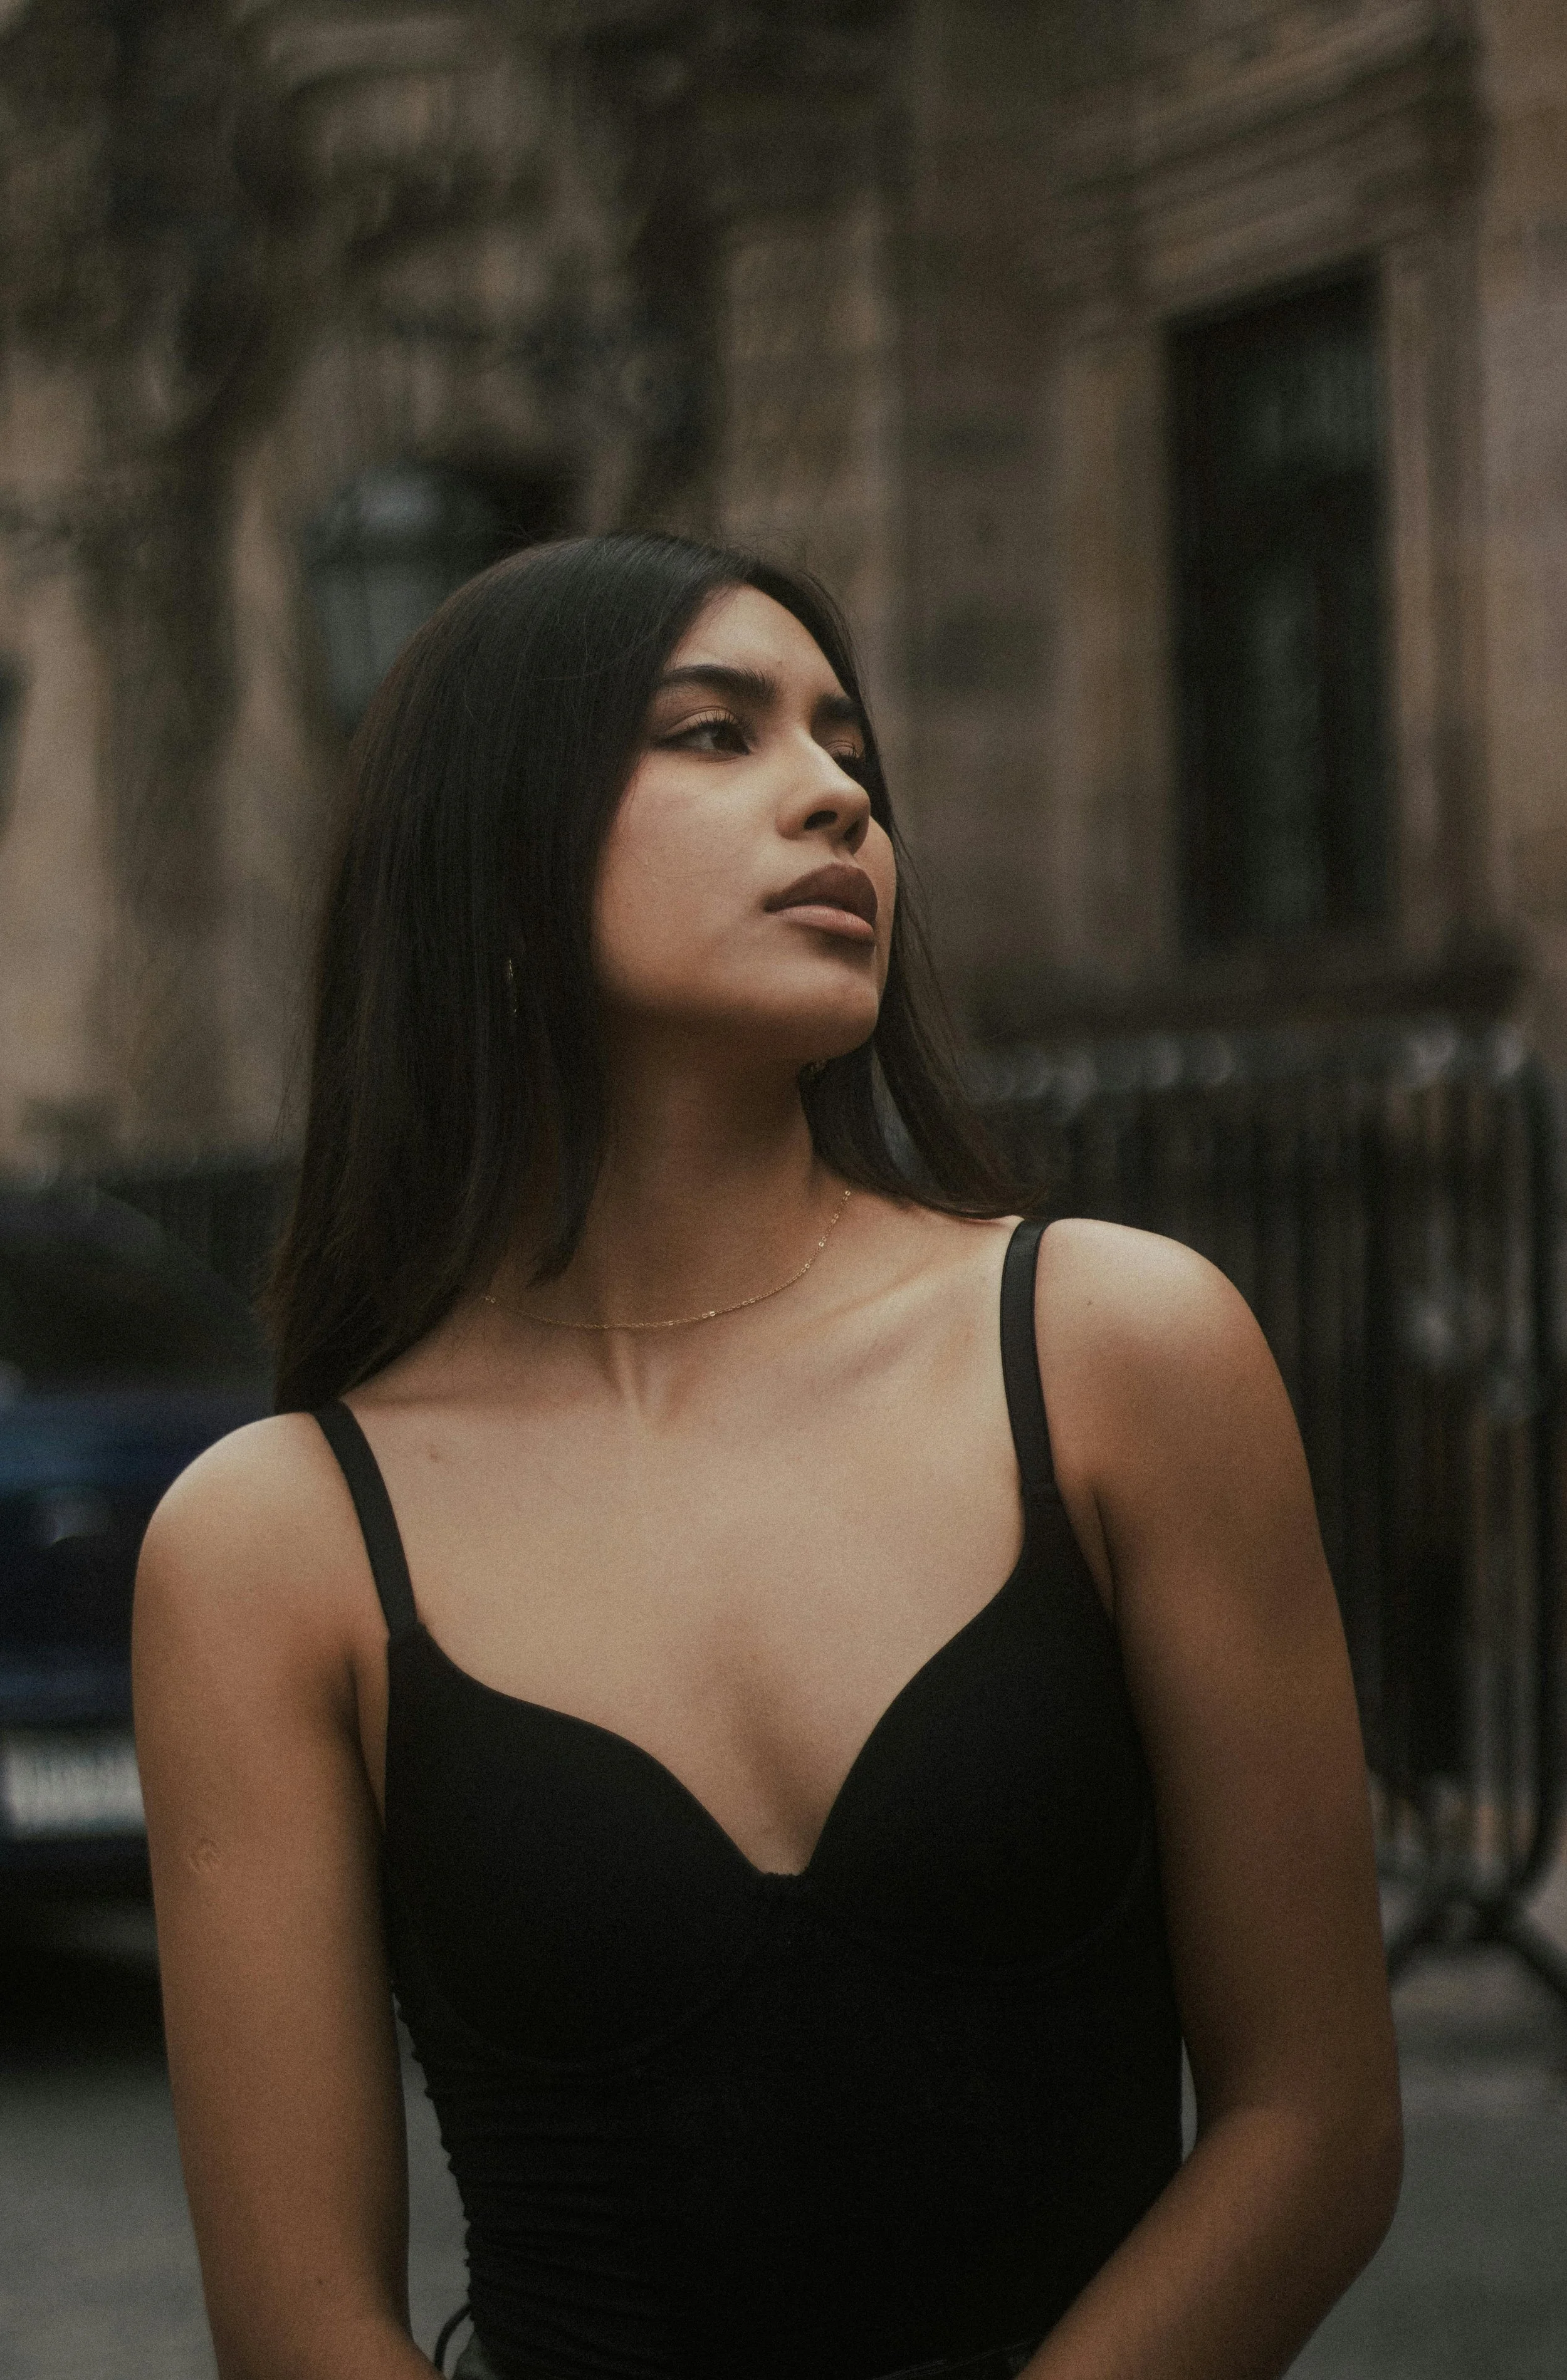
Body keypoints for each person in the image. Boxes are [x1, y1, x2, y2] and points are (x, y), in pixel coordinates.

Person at [134, 532, 1401, 2380]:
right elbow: (302, 2325)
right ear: (490, 850)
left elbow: (1313, 2127)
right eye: (714, 734)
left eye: (849, 753)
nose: (836, 800)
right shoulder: (276, 1542)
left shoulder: (1115, 1348)